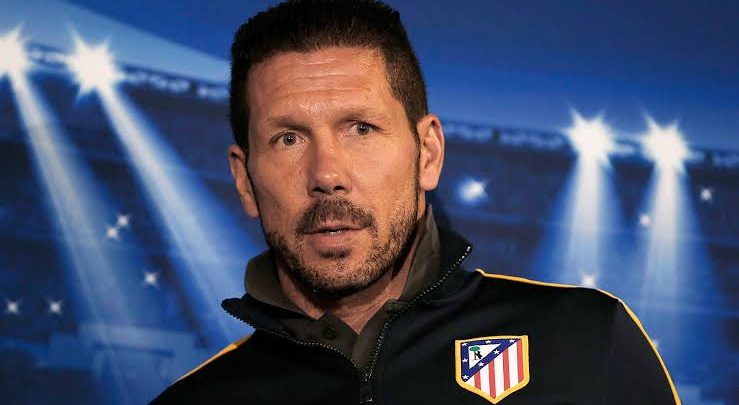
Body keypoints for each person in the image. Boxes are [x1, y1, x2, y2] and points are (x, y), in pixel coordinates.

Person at [151, 0, 680, 403]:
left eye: (361, 128)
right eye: (288, 139)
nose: (327, 175)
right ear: (245, 180)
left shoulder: (584, 338)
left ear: (427, 153)